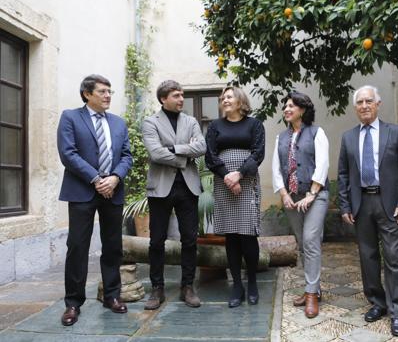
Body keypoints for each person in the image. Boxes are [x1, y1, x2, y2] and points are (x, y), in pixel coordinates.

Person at [337, 85, 398, 337]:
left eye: (369, 101)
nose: (364, 106)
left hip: (389, 203)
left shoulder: (395, 132)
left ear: (378, 104)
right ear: (355, 107)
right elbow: (342, 175)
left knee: (394, 258)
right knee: (368, 257)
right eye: (359, 102)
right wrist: (345, 205)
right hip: (362, 204)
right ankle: (377, 303)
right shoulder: (348, 137)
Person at [57, 74, 133, 326]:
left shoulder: (118, 123)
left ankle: (112, 296)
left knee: (113, 246)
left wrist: (114, 178)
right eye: (102, 91)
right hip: (82, 191)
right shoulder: (70, 117)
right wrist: (96, 178)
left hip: (113, 191)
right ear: (87, 94)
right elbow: (68, 153)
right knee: (77, 246)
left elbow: (126, 156)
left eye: (110, 91)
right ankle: (73, 303)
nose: (108, 95)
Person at [142, 80, 206, 309]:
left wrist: (172, 149)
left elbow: (201, 147)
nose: (181, 99)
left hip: (188, 187)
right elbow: (155, 153)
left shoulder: (190, 121)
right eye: (176, 96)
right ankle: (156, 288)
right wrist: (184, 156)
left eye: (182, 95)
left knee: (189, 239)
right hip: (160, 188)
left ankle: (187, 286)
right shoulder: (150, 122)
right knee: (156, 240)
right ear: (163, 99)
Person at [205, 86, 265, 308]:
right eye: (223, 98)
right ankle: (237, 285)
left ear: (240, 101)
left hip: (247, 181)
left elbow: (258, 153)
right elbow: (210, 155)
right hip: (223, 183)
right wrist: (227, 177)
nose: (224, 100)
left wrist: (239, 174)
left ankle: (252, 283)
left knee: (248, 234)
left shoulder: (254, 124)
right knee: (231, 235)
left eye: (229, 96)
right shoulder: (214, 126)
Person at [272, 91, 329, 319]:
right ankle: (313, 287)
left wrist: (312, 193)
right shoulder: (281, 137)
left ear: (303, 110)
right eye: (285, 106)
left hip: (315, 195)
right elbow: (276, 168)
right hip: (291, 198)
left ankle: (311, 294)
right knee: (303, 246)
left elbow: (323, 163)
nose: (286, 109)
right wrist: (284, 194)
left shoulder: (317, 133)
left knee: (310, 240)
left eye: (291, 106)